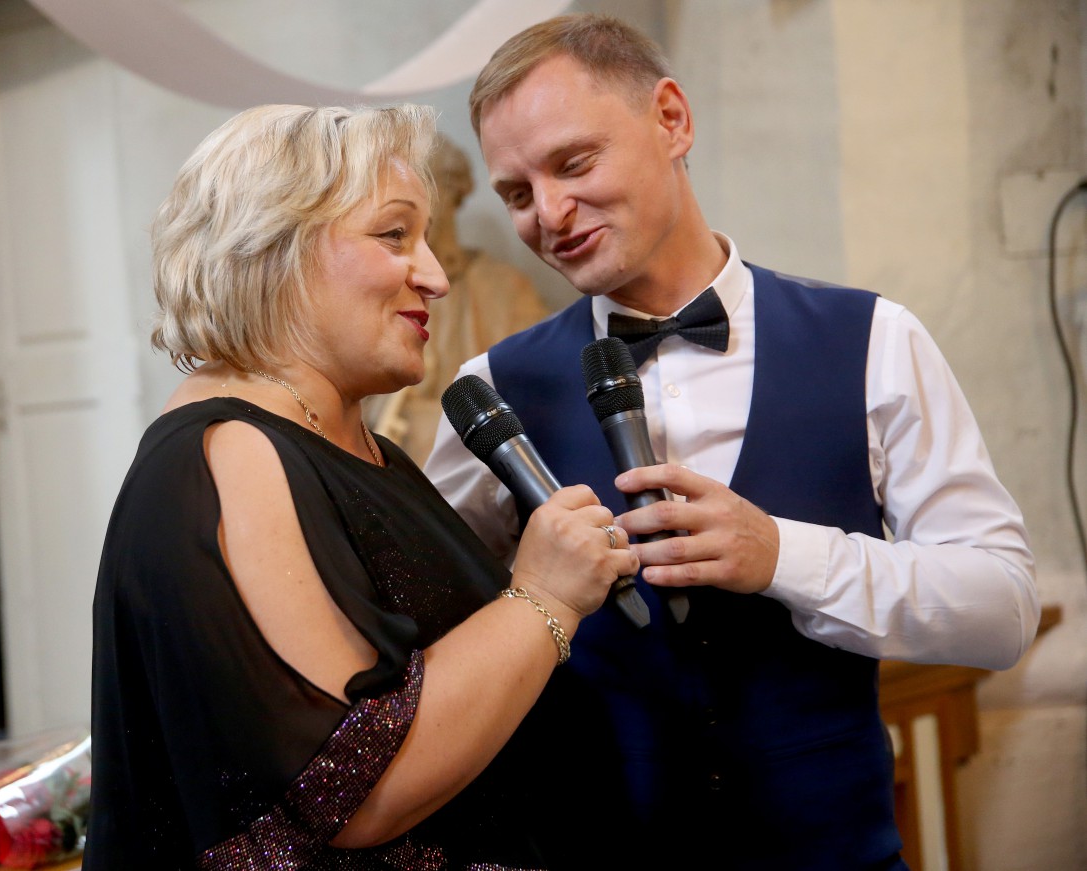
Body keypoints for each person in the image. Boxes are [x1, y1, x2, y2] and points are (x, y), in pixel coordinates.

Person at [424, 13, 1039, 870]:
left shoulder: (875, 340)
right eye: (518, 195)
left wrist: (782, 553)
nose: (550, 213)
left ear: (672, 120)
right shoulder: (493, 387)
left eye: (574, 162)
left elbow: (1003, 610)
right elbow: (430, 639)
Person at [83, 103, 638, 869]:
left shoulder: (358, 447)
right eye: (394, 234)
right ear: (274, 246)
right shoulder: (231, 453)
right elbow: (357, 787)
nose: (436, 277)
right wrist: (545, 595)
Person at [369, 133, 548, 465]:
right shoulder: (377, 289)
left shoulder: (506, 289)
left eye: (427, 186)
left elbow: (536, 399)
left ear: (454, 191)